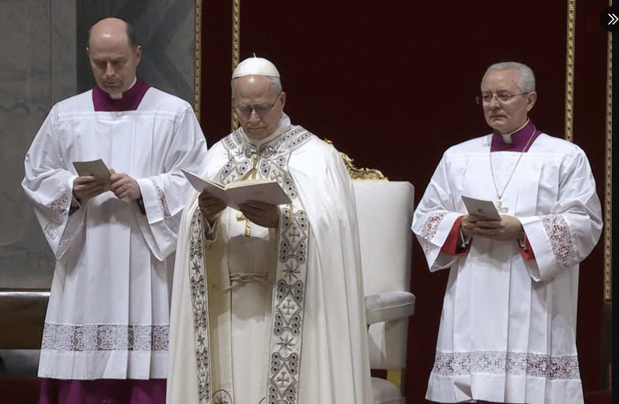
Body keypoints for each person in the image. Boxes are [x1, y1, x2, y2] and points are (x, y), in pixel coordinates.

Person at [21, 17, 207, 404]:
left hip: (147, 267)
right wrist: (71, 189)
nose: (109, 72)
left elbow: (196, 181)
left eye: (118, 62)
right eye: (100, 62)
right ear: (88, 56)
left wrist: (145, 190)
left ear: (137, 55)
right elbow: (36, 176)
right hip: (85, 262)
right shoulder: (65, 116)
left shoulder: (173, 114)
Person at [167, 56, 371, 404]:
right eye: (243, 109)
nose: (253, 119)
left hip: (294, 310)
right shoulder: (218, 155)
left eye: (262, 108)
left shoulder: (316, 158)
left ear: (282, 101)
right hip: (227, 309)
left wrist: (283, 221)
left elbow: (334, 233)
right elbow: (189, 230)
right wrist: (207, 218)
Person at [412, 61, 603, 404]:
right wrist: (461, 225)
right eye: (486, 97)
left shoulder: (565, 157)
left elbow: (584, 222)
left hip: (536, 296)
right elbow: (426, 217)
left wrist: (523, 230)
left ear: (530, 100)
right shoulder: (458, 157)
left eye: (503, 95)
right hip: (473, 290)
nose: (493, 104)